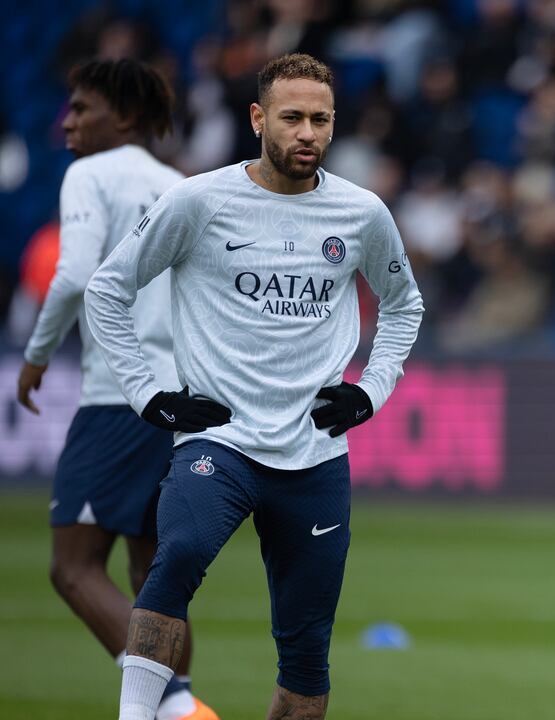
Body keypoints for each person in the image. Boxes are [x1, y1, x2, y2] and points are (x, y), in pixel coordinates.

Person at [83, 53, 424, 720]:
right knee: (176, 556)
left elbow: (403, 303)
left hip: (315, 459)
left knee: (306, 663)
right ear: (257, 118)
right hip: (221, 443)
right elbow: (107, 291)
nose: (307, 133)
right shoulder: (199, 201)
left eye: (320, 120)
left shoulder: (360, 213)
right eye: (292, 117)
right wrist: (149, 394)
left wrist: (370, 390)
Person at [16, 57, 216, 720]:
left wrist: (36, 354)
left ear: (124, 117)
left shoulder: (89, 175)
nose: (66, 120)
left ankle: (176, 707)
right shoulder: (183, 186)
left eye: (81, 108)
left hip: (121, 394)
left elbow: (72, 277)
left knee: (72, 567)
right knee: (153, 573)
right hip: (183, 398)